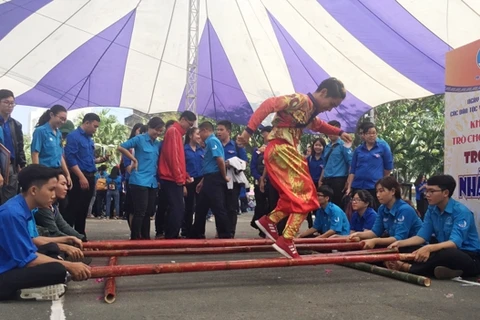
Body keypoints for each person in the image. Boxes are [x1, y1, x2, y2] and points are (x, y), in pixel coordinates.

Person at [237, 77, 353, 259]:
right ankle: (287, 238)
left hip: (281, 151)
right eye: (331, 103)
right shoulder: (301, 100)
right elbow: (269, 104)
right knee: (308, 196)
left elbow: (319, 125)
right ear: (323, 93)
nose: (330, 108)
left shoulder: (310, 112)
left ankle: (270, 220)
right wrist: (248, 131)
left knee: (292, 196)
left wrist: (339, 132)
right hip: (281, 149)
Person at [0, 165, 90, 301]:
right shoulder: (12, 214)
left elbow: (28, 246)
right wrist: (70, 266)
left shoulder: (20, 208)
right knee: (57, 270)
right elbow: (28, 260)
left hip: (11, 262)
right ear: (34, 190)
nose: (54, 195)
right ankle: (19, 292)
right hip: (4, 273)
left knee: (52, 250)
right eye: (51, 189)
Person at [387, 175, 480, 279]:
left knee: (447, 253)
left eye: (431, 191)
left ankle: (409, 267)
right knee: (406, 248)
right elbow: (421, 237)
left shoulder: (461, 212)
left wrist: (429, 248)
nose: (427, 195)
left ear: (445, 193)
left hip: (469, 256)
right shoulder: (432, 209)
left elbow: (454, 243)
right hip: (441, 251)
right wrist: (399, 243)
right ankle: (446, 271)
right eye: (426, 191)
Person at [118, 117, 165, 240]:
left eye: (161, 131)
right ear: (150, 127)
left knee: (149, 212)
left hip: (152, 181)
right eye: (156, 130)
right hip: (139, 180)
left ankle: (145, 238)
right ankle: (135, 238)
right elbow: (121, 147)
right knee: (140, 211)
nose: (158, 133)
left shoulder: (157, 144)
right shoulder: (140, 139)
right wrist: (133, 159)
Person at [64, 113, 108, 237]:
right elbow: (70, 158)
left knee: (83, 209)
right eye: (95, 126)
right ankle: (70, 235)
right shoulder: (73, 136)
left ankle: (80, 234)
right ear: (87, 123)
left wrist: (100, 160)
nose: (95, 129)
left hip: (90, 175)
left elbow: (87, 159)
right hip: (79, 176)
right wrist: (81, 177)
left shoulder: (89, 139)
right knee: (73, 207)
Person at [349, 176, 422, 249]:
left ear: (393, 191)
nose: (377, 195)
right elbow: (375, 232)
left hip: (415, 247)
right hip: (396, 245)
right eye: (377, 191)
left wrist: (375, 241)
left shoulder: (405, 210)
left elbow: (399, 238)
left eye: (381, 191)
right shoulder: (382, 208)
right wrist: (358, 234)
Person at [190, 121, 232, 239]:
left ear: (205, 131)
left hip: (214, 178)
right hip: (208, 178)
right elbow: (210, 164)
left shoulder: (212, 141)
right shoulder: (209, 143)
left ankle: (225, 233)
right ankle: (197, 232)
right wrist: (203, 181)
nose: (199, 136)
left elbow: (219, 160)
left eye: (200, 133)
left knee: (218, 206)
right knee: (201, 207)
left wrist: (224, 176)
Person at [159, 111, 196, 239]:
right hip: (172, 178)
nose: (189, 128)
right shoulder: (174, 132)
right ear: (183, 119)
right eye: (189, 124)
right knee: (178, 208)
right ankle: (171, 236)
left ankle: (171, 234)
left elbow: (177, 159)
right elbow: (173, 157)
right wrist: (180, 179)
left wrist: (184, 175)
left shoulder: (176, 133)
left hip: (173, 176)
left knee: (176, 207)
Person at [346, 123, 393, 209]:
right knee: (357, 210)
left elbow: (388, 168)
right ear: (363, 135)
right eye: (368, 133)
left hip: (374, 187)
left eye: (374, 133)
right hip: (358, 186)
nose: (371, 135)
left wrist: (382, 184)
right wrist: (349, 187)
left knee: (374, 211)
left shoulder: (383, 148)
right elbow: (352, 170)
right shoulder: (358, 150)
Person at [216, 120, 249, 237]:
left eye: (221, 129)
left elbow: (244, 162)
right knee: (219, 207)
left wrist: (232, 163)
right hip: (218, 179)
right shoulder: (215, 144)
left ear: (228, 131)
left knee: (231, 207)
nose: (218, 132)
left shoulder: (236, 146)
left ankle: (230, 232)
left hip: (233, 181)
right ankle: (220, 232)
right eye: (217, 129)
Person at [34, 171, 85, 241]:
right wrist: (74, 240)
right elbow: (54, 233)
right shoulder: (41, 207)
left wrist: (82, 238)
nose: (66, 188)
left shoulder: (53, 206)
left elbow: (64, 226)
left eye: (66, 185)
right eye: (63, 184)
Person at [31, 104, 72, 188]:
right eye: (61, 118)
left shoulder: (59, 134)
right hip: (45, 171)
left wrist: (67, 174)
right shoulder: (40, 131)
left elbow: (60, 156)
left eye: (64, 120)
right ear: (52, 115)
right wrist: (37, 174)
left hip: (58, 171)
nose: (62, 122)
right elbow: (35, 154)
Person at [0, 89, 26, 204]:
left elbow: (20, 146)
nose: (10, 105)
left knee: (9, 199)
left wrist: (21, 165)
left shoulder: (16, 124)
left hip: (11, 165)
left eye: (12, 103)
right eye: (6, 102)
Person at [319, 120, 352, 209]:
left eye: (334, 130)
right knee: (325, 205)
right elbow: (325, 165)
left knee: (337, 205)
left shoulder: (344, 145)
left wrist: (348, 182)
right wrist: (320, 180)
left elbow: (351, 164)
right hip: (326, 180)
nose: (331, 133)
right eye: (329, 131)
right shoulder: (327, 147)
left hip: (339, 180)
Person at [121, 123, 146, 226]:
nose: (141, 134)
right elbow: (128, 168)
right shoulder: (128, 147)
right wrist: (134, 161)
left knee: (142, 208)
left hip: (144, 180)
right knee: (131, 207)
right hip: (131, 179)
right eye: (139, 131)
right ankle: (133, 230)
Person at [250, 126, 273, 237]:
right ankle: (260, 227)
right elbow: (252, 167)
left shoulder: (276, 148)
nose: (265, 136)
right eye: (263, 134)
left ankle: (270, 227)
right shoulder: (257, 150)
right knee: (260, 205)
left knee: (272, 205)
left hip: (273, 181)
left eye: (267, 133)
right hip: (259, 181)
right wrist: (259, 178)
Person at [182, 127, 204, 237]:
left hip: (201, 180)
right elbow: (181, 166)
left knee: (201, 207)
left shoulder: (202, 150)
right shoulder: (184, 149)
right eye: (197, 134)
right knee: (189, 206)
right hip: (189, 180)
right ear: (190, 135)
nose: (199, 136)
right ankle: (186, 230)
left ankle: (199, 231)